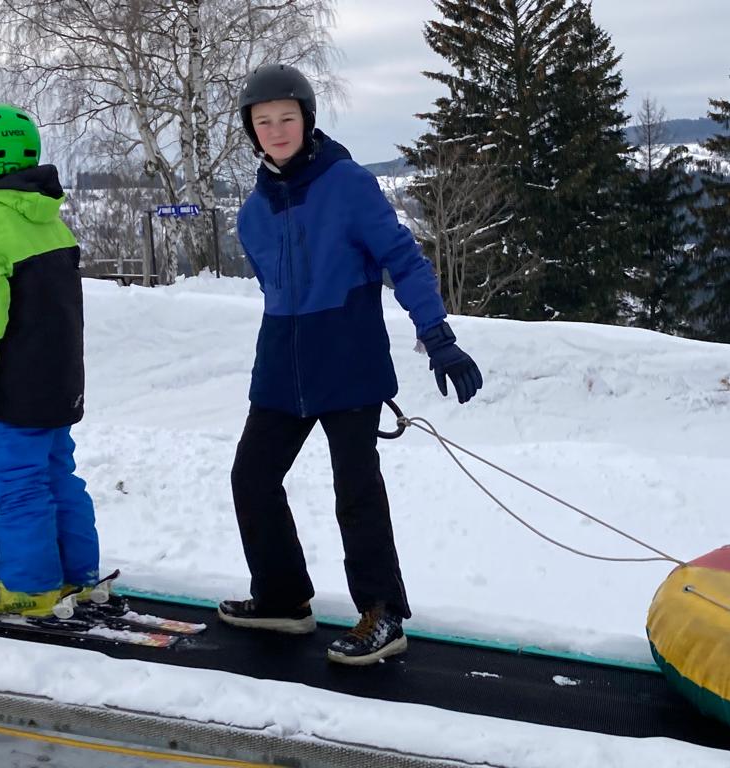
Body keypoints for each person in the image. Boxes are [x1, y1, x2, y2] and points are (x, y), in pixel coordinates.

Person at [217, 64, 482, 665]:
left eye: (287, 118)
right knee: (251, 478)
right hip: (281, 366)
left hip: (349, 360)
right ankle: (283, 599)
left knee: (355, 489)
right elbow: (272, 289)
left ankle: (383, 613)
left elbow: (404, 261)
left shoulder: (348, 184)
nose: (276, 130)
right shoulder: (252, 213)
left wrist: (437, 335)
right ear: (252, 132)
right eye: (264, 122)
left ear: (307, 119)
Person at [0, 104, 101, 618]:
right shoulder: (46, 217)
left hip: (14, 386)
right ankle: (79, 574)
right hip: (59, 382)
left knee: (17, 483)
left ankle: (28, 587)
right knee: (59, 474)